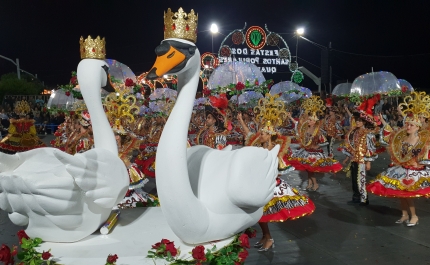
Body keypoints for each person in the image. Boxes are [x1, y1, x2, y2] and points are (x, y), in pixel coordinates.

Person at [237, 95, 315, 252]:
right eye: (261, 133)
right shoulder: (260, 145)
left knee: (262, 213)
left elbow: (277, 168)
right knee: (260, 214)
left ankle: (269, 238)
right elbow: (249, 135)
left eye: (264, 133)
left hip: (271, 185)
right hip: (261, 184)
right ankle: (266, 237)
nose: (260, 135)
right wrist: (241, 121)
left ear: (270, 134)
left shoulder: (275, 150)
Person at [367, 92, 430, 226]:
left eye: (411, 125)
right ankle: (404, 214)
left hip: (413, 171)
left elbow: (424, 158)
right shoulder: (403, 138)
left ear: (417, 127)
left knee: (408, 194)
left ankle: (414, 216)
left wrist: (418, 161)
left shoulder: (423, 141)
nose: (408, 127)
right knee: (400, 194)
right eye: (407, 124)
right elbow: (395, 150)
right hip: (401, 169)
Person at [287, 96, 342, 191]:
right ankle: (310, 182)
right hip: (307, 151)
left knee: (310, 169)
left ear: (314, 121)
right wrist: (290, 117)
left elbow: (324, 142)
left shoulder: (318, 131)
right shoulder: (306, 128)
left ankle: (315, 183)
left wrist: (316, 145)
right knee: (307, 169)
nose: (309, 121)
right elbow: (298, 126)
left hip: (314, 153)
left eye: (311, 120)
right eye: (309, 120)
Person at [341, 102, 378, 206]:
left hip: (362, 159)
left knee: (360, 179)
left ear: (364, 122)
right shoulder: (353, 132)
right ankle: (356, 197)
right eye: (356, 120)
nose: (357, 122)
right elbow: (350, 145)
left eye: (360, 121)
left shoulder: (368, 134)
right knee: (354, 179)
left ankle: (364, 199)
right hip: (354, 158)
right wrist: (347, 158)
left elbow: (370, 148)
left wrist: (368, 162)